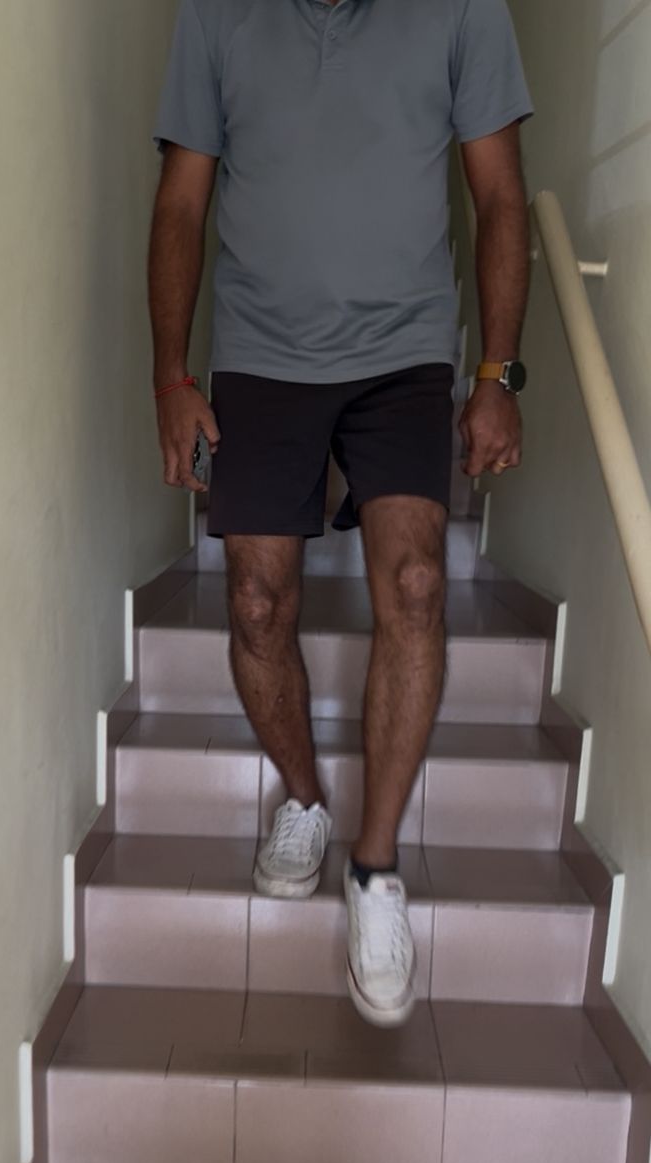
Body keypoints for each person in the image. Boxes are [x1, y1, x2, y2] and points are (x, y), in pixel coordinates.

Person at [148, 0, 533, 1027]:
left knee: (416, 583)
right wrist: (172, 377)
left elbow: (500, 194)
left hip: (406, 354)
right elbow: (181, 201)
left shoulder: (463, 11)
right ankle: (306, 799)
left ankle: (374, 867)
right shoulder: (216, 16)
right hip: (261, 355)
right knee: (256, 603)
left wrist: (496, 374)